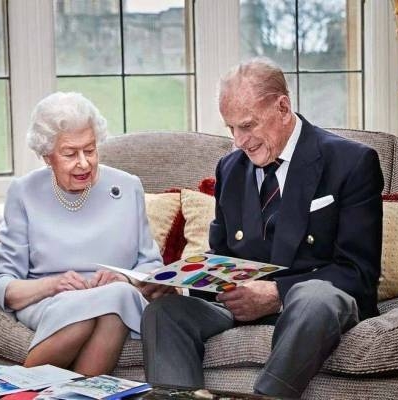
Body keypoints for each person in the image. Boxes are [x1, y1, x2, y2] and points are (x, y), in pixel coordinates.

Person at [141, 58, 384, 398]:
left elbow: (358, 273)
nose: (239, 141)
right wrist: (180, 285)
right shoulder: (230, 167)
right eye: (231, 129)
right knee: (164, 312)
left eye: (248, 125)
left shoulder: (351, 162)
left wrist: (276, 295)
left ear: (282, 107)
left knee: (314, 297)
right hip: (239, 308)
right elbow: (223, 257)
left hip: (308, 309)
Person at [0, 92, 166, 375]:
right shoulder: (24, 192)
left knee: (115, 300)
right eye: (70, 154)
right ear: (47, 156)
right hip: (49, 299)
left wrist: (124, 277)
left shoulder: (128, 186)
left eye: (90, 150)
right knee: (95, 312)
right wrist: (53, 284)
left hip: (117, 295)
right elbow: (4, 284)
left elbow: (151, 266)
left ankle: (16, 390)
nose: (84, 163)